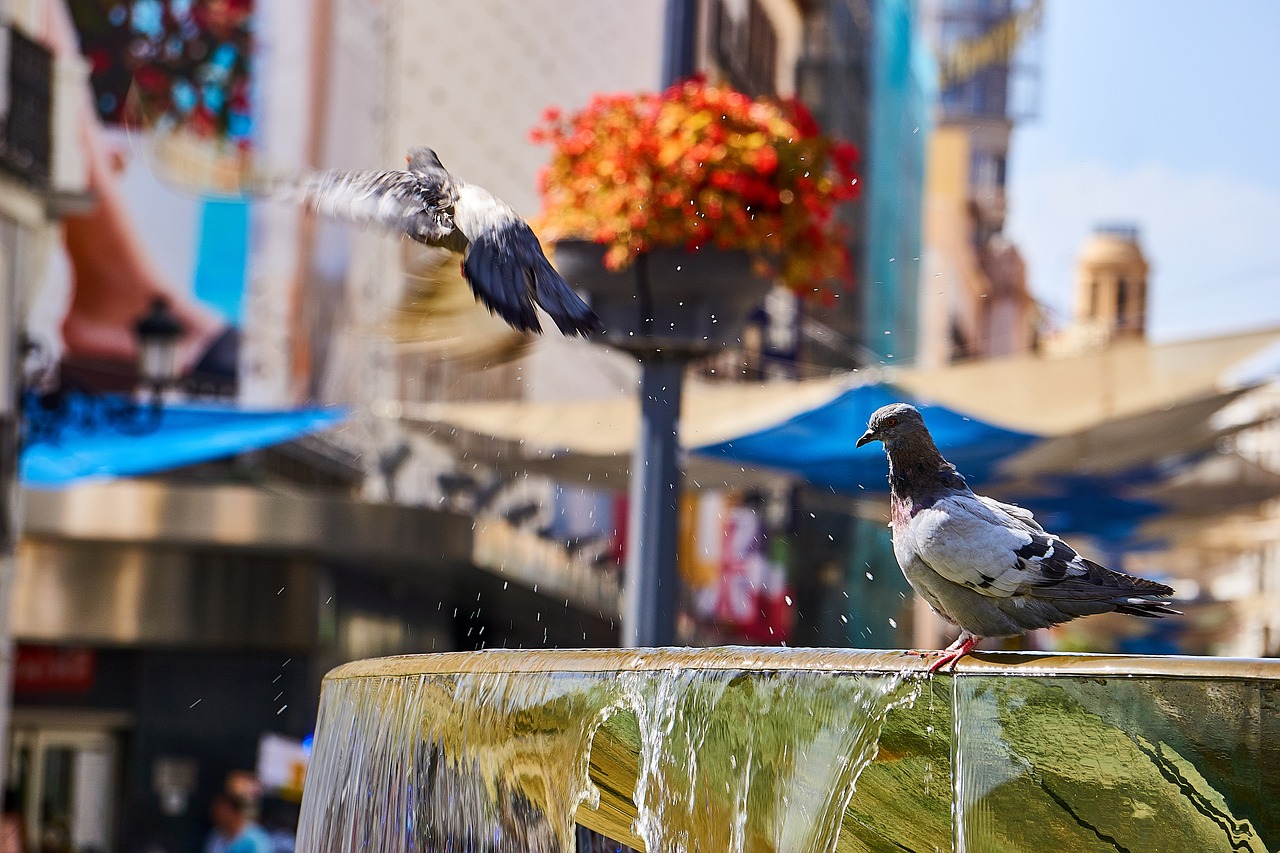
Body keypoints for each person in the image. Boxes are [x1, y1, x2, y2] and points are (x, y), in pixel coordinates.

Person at [204, 793, 270, 853]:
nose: (218, 816)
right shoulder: (215, 836)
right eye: (215, 813)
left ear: (234, 811)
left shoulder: (257, 837)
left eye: (223, 812)